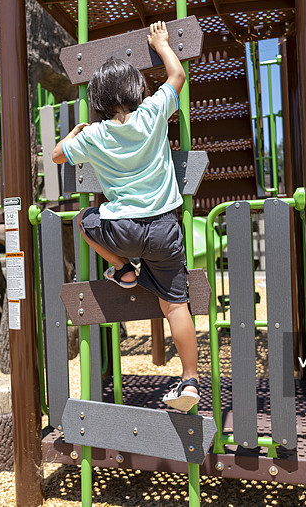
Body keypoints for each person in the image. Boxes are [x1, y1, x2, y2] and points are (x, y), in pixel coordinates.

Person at [52, 21, 199, 412]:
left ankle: (124, 271)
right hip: (165, 227)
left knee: (85, 219)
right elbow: (178, 75)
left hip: (122, 230)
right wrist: (162, 44)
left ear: (97, 100)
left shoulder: (95, 135)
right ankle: (189, 382)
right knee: (175, 305)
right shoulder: (153, 112)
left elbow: (56, 156)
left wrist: (75, 131)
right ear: (137, 90)